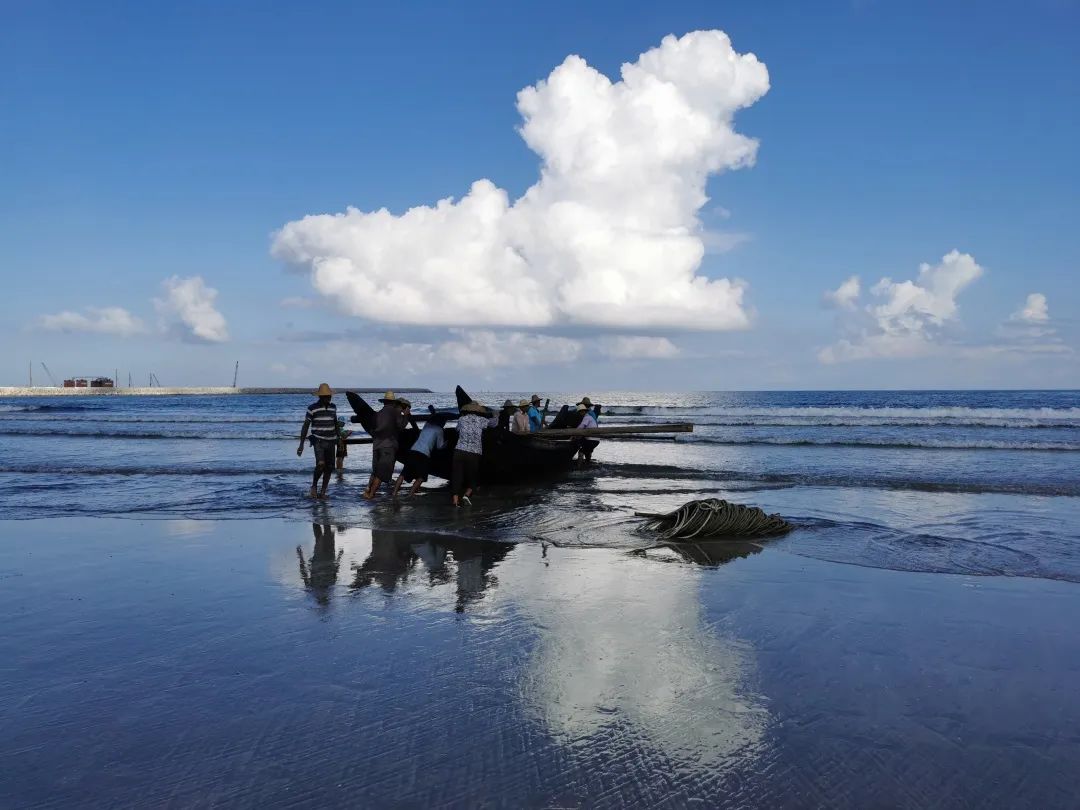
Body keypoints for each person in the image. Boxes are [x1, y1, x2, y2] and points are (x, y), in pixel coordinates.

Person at [363, 391, 410, 500]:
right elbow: (401, 426)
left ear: (384, 402)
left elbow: (372, 429)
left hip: (376, 446)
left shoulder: (377, 414)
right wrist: (406, 416)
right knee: (382, 473)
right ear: (394, 403)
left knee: (375, 472)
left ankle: (367, 491)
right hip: (388, 446)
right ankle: (371, 495)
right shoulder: (395, 412)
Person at [297, 383, 339, 499]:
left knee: (329, 467)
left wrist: (339, 439)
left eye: (329, 396)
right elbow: (305, 426)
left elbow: (335, 423)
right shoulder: (312, 408)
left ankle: (323, 492)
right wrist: (301, 445)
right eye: (326, 396)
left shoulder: (333, 407)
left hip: (331, 441)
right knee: (321, 464)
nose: (328, 398)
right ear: (320, 397)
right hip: (318, 440)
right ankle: (314, 486)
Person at [392, 413, 448, 498]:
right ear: (442, 422)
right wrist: (446, 444)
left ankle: (394, 493)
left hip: (413, 450)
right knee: (421, 476)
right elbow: (439, 446)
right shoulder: (439, 430)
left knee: (403, 474)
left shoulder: (427, 425)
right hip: (424, 454)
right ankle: (411, 494)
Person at [452, 401, 489, 507]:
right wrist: (495, 414)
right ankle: (466, 495)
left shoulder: (461, 419)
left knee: (457, 476)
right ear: (477, 410)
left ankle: (455, 501)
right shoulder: (481, 420)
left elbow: (457, 430)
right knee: (473, 477)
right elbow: (494, 423)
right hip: (474, 452)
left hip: (459, 451)